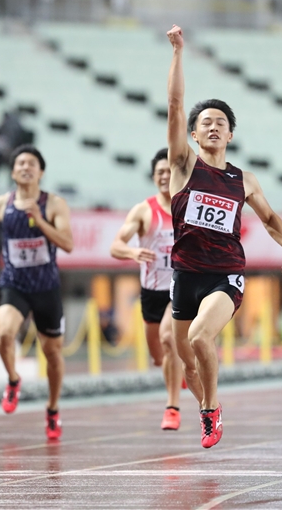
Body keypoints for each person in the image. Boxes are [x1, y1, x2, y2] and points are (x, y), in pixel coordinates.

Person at [166, 24, 282, 448]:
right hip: (185, 274)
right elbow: (174, 104)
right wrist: (178, 53)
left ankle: (211, 410)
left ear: (230, 134)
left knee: (199, 336)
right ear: (193, 134)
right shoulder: (184, 166)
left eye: (220, 123)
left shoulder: (244, 180)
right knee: (187, 360)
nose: (212, 127)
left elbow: (270, 217)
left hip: (225, 274)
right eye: (205, 122)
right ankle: (204, 397)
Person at [0, 144, 74, 440]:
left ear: (41, 172)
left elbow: (68, 244)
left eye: (31, 163)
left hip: (46, 287)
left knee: (52, 354)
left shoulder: (54, 204)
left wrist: (40, 220)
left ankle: (53, 408)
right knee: (4, 333)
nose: (25, 167)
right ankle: (13, 379)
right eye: (20, 163)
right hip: (14, 283)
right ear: (12, 171)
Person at [110, 148, 184, 430]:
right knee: (158, 354)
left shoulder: (187, 208)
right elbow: (115, 245)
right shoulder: (144, 210)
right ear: (154, 178)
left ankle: (172, 407)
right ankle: (179, 369)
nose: (165, 176)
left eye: (169, 171)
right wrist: (133, 252)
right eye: (159, 173)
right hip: (151, 291)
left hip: (179, 289)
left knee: (169, 339)